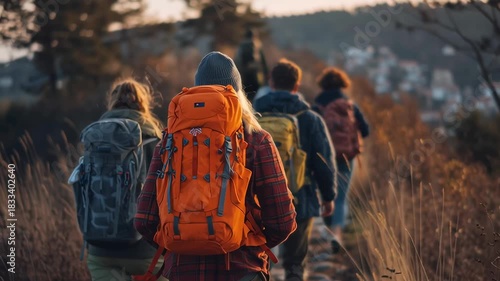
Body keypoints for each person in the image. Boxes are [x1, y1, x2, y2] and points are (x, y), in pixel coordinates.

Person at [134, 51, 297, 281]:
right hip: (243, 270)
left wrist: (180, 241)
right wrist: (248, 241)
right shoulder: (256, 140)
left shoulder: (169, 142)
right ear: (237, 94)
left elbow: (144, 220)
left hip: (183, 270)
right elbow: (283, 221)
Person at [254, 59, 337, 281]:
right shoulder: (309, 119)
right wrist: (328, 197)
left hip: (257, 201)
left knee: (258, 262)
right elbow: (323, 162)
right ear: (296, 86)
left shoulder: (251, 116)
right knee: (294, 265)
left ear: (271, 83)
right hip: (299, 199)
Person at [74, 79, 164, 281]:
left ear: (112, 103)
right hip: (146, 252)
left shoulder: (94, 140)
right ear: (144, 104)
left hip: (100, 251)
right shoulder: (156, 140)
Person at [314, 67, 370, 253]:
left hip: (323, 158)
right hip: (347, 156)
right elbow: (366, 130)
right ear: (342, 84)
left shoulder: (318, 106)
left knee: (326, 195)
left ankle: (329, 229)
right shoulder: (349, 106)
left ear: (323, 84)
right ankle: (336, 233)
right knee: (341, 198)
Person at [235, 28, 269, 102]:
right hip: (256, 75)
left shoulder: (241, 46)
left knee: (246, 97)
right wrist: (266, 75)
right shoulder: (258, 45)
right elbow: (263, 62)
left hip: (244, 76)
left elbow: (237, 61)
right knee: (256, 96)